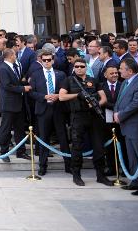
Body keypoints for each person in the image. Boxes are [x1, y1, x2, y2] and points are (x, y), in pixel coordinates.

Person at [59, 59, 112, 187]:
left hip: (94, 116)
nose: (79, 68)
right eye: (76, 66)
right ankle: (76, 175)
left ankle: (101, 175)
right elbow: (61, 97)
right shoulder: (69, 80)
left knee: (98, 147)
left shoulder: (93, 80)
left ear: (86, 67)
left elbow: (103, 98)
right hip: (78, 116)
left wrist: (94, 105)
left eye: (81, 66)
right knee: (77, 147)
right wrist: (78, 95)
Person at [28, 51, 70, 175]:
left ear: (53, 60)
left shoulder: (61, 74)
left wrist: (57, 95)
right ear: (41, 60)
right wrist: (44, 96)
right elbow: (31, 93)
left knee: (63, 138)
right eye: (44, 60)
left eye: (49, 60)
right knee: (43, 139)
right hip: (43, 109)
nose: (47, 62)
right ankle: (42, 166)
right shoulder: (35, 75)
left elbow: (66, 90)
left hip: (58, 109)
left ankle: (69, 165)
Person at [114, 58, 138, 195]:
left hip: (135, 125)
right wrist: (116, 112)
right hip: (125, 125)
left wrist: (120, 115)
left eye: (121, 68)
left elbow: (136, 104)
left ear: (130, 70)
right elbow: (119, 100)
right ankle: (135, 181)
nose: (119, 71)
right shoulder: (125, 82)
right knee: (131, 156)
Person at [0, 49, 30, 163]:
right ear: (10, 56)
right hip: (8, 104)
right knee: (6, 129)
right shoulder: (3, 68)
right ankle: (4, 152)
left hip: (18, 103)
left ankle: (21, 152)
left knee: (19, 129)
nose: (16, 56)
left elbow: (17, 81)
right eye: (15, 54)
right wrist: (23, 88)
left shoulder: (13, 66)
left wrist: (24, 83)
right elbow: (7, 86)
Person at [101, 64, 123, 177]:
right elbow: (101, 102)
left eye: (116, 73)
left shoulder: (123, 85)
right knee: (109, 147)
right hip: (106, 122)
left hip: (122, 120)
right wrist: (114, 108)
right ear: (105, 75)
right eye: (112, 73)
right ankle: (111, 168)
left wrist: (116, 110)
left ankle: (124, 168)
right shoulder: (101, 87)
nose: (115, 75)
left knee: (122, 145)